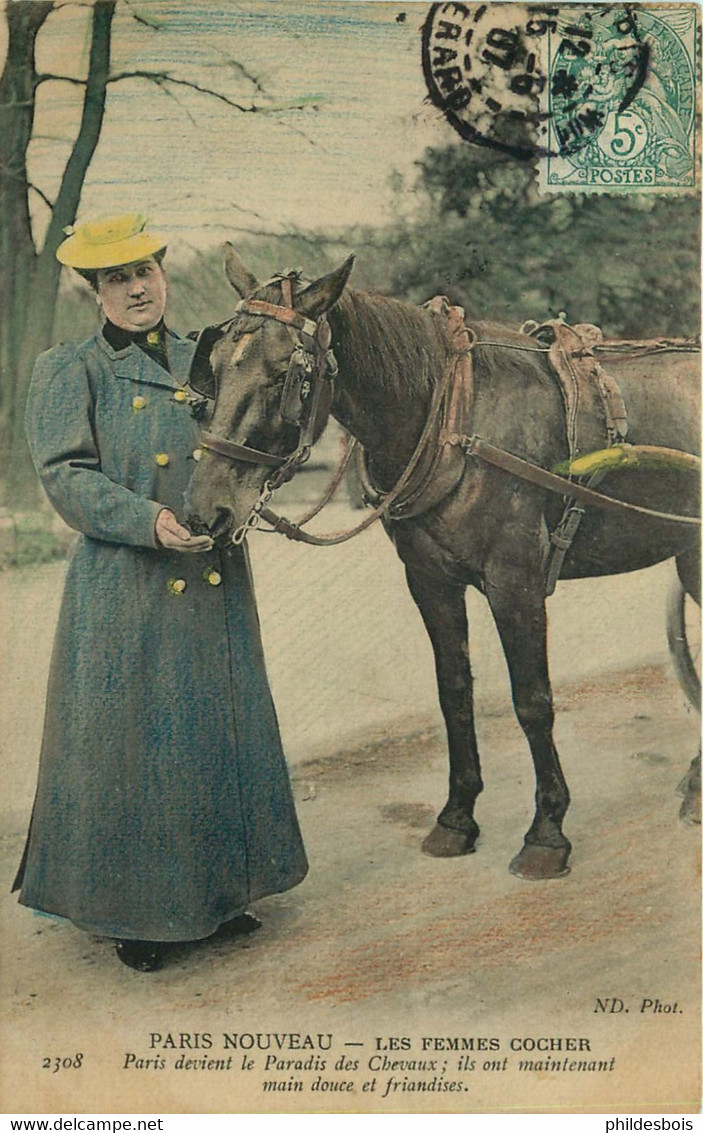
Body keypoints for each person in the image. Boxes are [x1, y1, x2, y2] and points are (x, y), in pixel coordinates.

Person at [13, 213, 308, 972]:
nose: (136, 288)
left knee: (215, 731)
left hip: (212, 572)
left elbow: (247, 439)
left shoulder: (204, 358)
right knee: (139, 747)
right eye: (117, 278)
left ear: (163, 275)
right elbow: (64, 475)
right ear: (96, 293)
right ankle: (140, 914)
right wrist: (149, 520)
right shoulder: (70, 368)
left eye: (145, 271)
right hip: (128, 581)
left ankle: (216, 893)